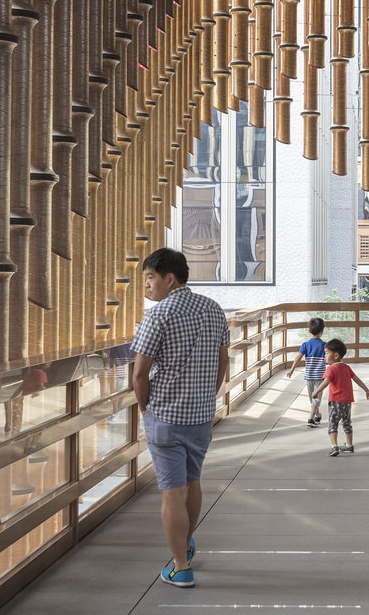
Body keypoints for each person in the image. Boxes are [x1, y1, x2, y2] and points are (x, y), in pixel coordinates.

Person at [131, 248, 230, 589]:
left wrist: (146, 408)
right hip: (201, 416)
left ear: (168, 278)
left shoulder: (158, 315)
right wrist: (207, 398)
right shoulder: (214, 309)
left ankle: (180, 566)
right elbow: (223, 362)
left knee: (171, 492)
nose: (146, 285)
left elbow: (140, 374)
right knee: (193, 481)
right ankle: (185, 543)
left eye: (149, 278)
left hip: (166, 416)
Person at [312, 339, 369, 456]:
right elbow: (357, 379)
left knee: (333, 423)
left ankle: (334, 446)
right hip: (347, 401)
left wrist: (317, 391)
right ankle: (349, 445)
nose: (325, 356)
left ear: (335, 355)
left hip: (335, 401)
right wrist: (367, 390)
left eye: (327, 353)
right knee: (347, 422)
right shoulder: (346, 367)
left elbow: (326, 382)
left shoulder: (331, 368)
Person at [285, 317, 327, 426]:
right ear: (322, 332)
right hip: (317, 377)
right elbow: (330, 359)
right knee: (314, 399)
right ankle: (318, 415)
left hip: (314, 377)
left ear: (309, 331)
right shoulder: (325, 345)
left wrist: (292, 369)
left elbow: (298, 358)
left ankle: (311, 418)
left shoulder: (305, 345)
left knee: (314, 398)